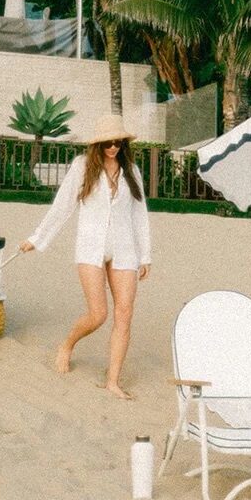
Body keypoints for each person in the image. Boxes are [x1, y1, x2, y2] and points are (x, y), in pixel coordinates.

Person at [20, 113, 151, 399]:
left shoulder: (131, 170)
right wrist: (37, 239)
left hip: (125, 248)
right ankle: (67, 344)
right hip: (91, 247)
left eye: (118, 142)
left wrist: (145, 255)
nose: (113, 147)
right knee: (98, 314)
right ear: (97, 144)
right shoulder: (82, 167)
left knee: (125, 314)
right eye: (108, 143)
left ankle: (113, 381)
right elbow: (62, 207)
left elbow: (139, 213)